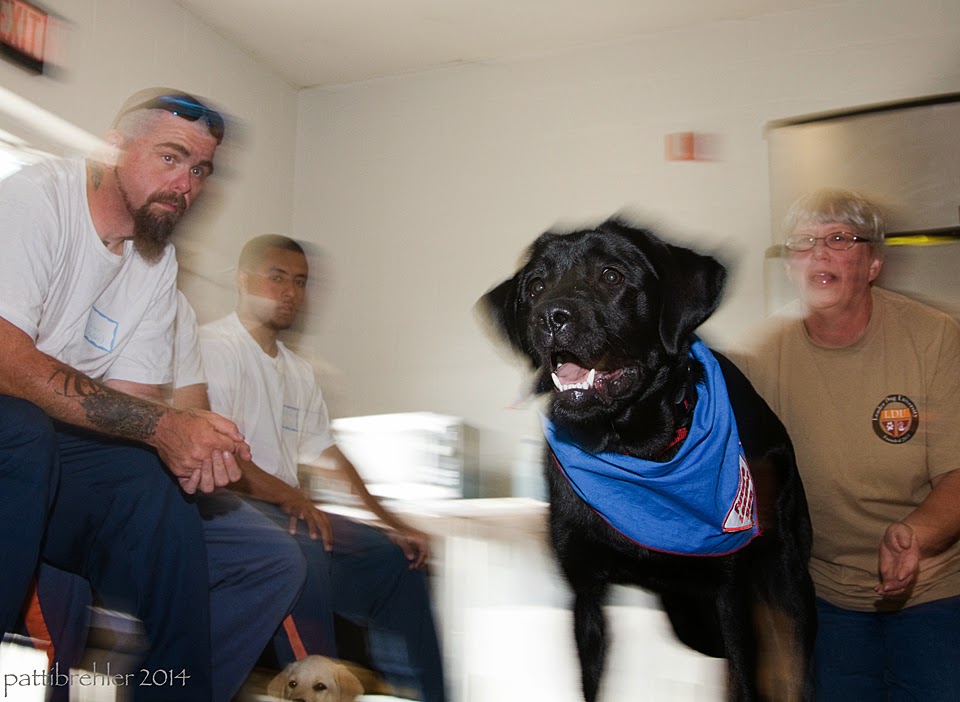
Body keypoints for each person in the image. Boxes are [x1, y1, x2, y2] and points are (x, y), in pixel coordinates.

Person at [0, 88, 304, 701]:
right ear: (113, 148)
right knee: (28, 434)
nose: (185, 184)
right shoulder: (38, 199)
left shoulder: (155, 263)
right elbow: (7, 361)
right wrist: (165, 428)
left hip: (54, 442)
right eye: (170, 157)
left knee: (152, 481)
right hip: (15, 423)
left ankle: (173, 690)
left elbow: (130, 409)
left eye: (200, 171)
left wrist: (190, 448)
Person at [732, 188, 960, 700]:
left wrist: (916, 534)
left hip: (934, 592)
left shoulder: (935, 338)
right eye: (804, 242)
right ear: (790, 266)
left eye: (839, 239)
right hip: (826, 598)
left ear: (874, 262)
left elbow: (957, 474)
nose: (819, 253)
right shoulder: (759, 356)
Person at [198, 234, 447, 702]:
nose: (290, 292)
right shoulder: (215, 347)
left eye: (300, 282)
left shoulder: (298, 371)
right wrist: (294, 500)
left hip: (286, 510)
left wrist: (394, 524)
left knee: (400, 562)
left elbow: (330, 456)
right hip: (226, 507)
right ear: (243, 282)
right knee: (301, 550)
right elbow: (220, 459)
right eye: (276, 278)